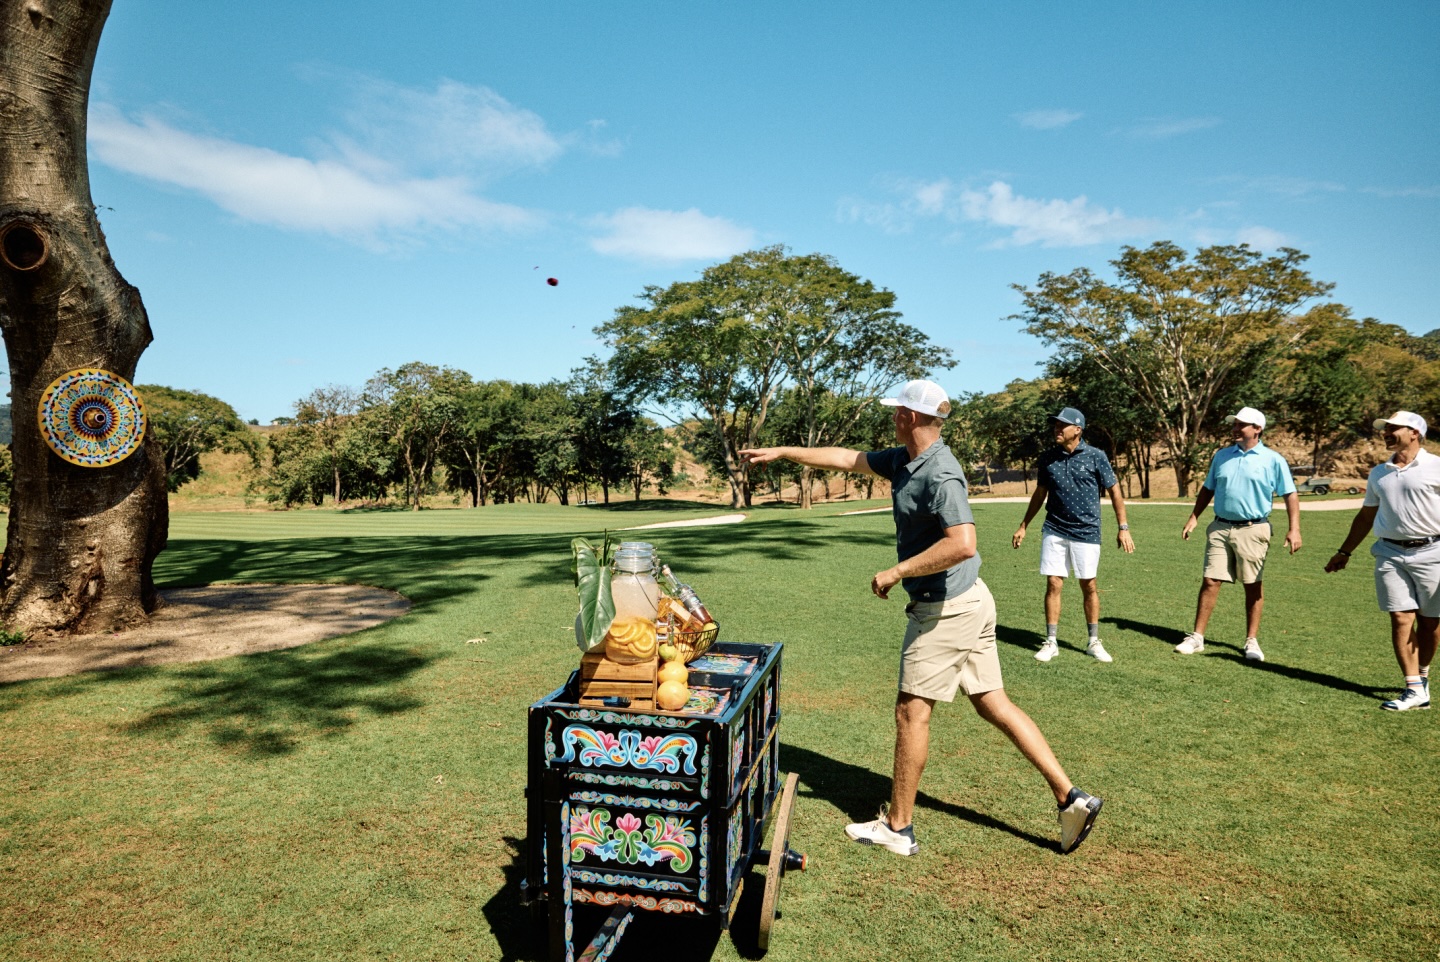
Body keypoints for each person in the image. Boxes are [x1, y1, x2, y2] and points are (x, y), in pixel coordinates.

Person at [739, 379, 1103, 856]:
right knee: (993, 703)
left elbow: (963, 542)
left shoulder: (941, 474)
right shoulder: (904, 459)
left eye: (897, 412)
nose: (892, 417)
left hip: (946, 608)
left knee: (911, 712)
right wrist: (784, 452)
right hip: (971, 599)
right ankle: (1071, 797)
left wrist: (897, 570)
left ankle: (898, 827)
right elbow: (848, 458)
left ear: (910, 416)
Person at [1324, 411, 1437, 711]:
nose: (1386, 433)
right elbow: (1366, 516)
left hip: (1433, 553)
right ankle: (1413, 687)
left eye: (1393, 429)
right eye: (1384, 429)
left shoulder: (1436, 467)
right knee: (1401, 617)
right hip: (1389, 552)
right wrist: (1345, 551)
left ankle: (1422, 678)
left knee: (1430, 624)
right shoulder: (1379, 473)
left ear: (1415, 432)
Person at [1176, 406, 1301, 661]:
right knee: (1211, 581)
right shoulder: (1222, 456)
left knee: (1252, 585)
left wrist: (1294, 528)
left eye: (1240, 424)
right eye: (1234, 424)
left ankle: (1251, 641)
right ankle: (1197, 637)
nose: (1234, 428)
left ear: (1257, 429)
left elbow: (1290, 494)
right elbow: (1208, 488)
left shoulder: (1273, 459)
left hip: (1254, 528)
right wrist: (1194, 517)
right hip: (1220, 526)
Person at [1012, 407, 1136, 663]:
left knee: (1088, 584)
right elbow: (1040, 494)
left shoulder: (1096, 456)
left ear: (1077, 429)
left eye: (1062, 426)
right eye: (1055, 425)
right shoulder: (1047, 458)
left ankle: (1093, 641)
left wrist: (1123, 527)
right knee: (1054, 583)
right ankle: (1052, 641)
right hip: (1054, 528)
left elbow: (1114, 491)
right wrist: (1024, 524)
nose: (1057, 429)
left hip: (1087, 531)